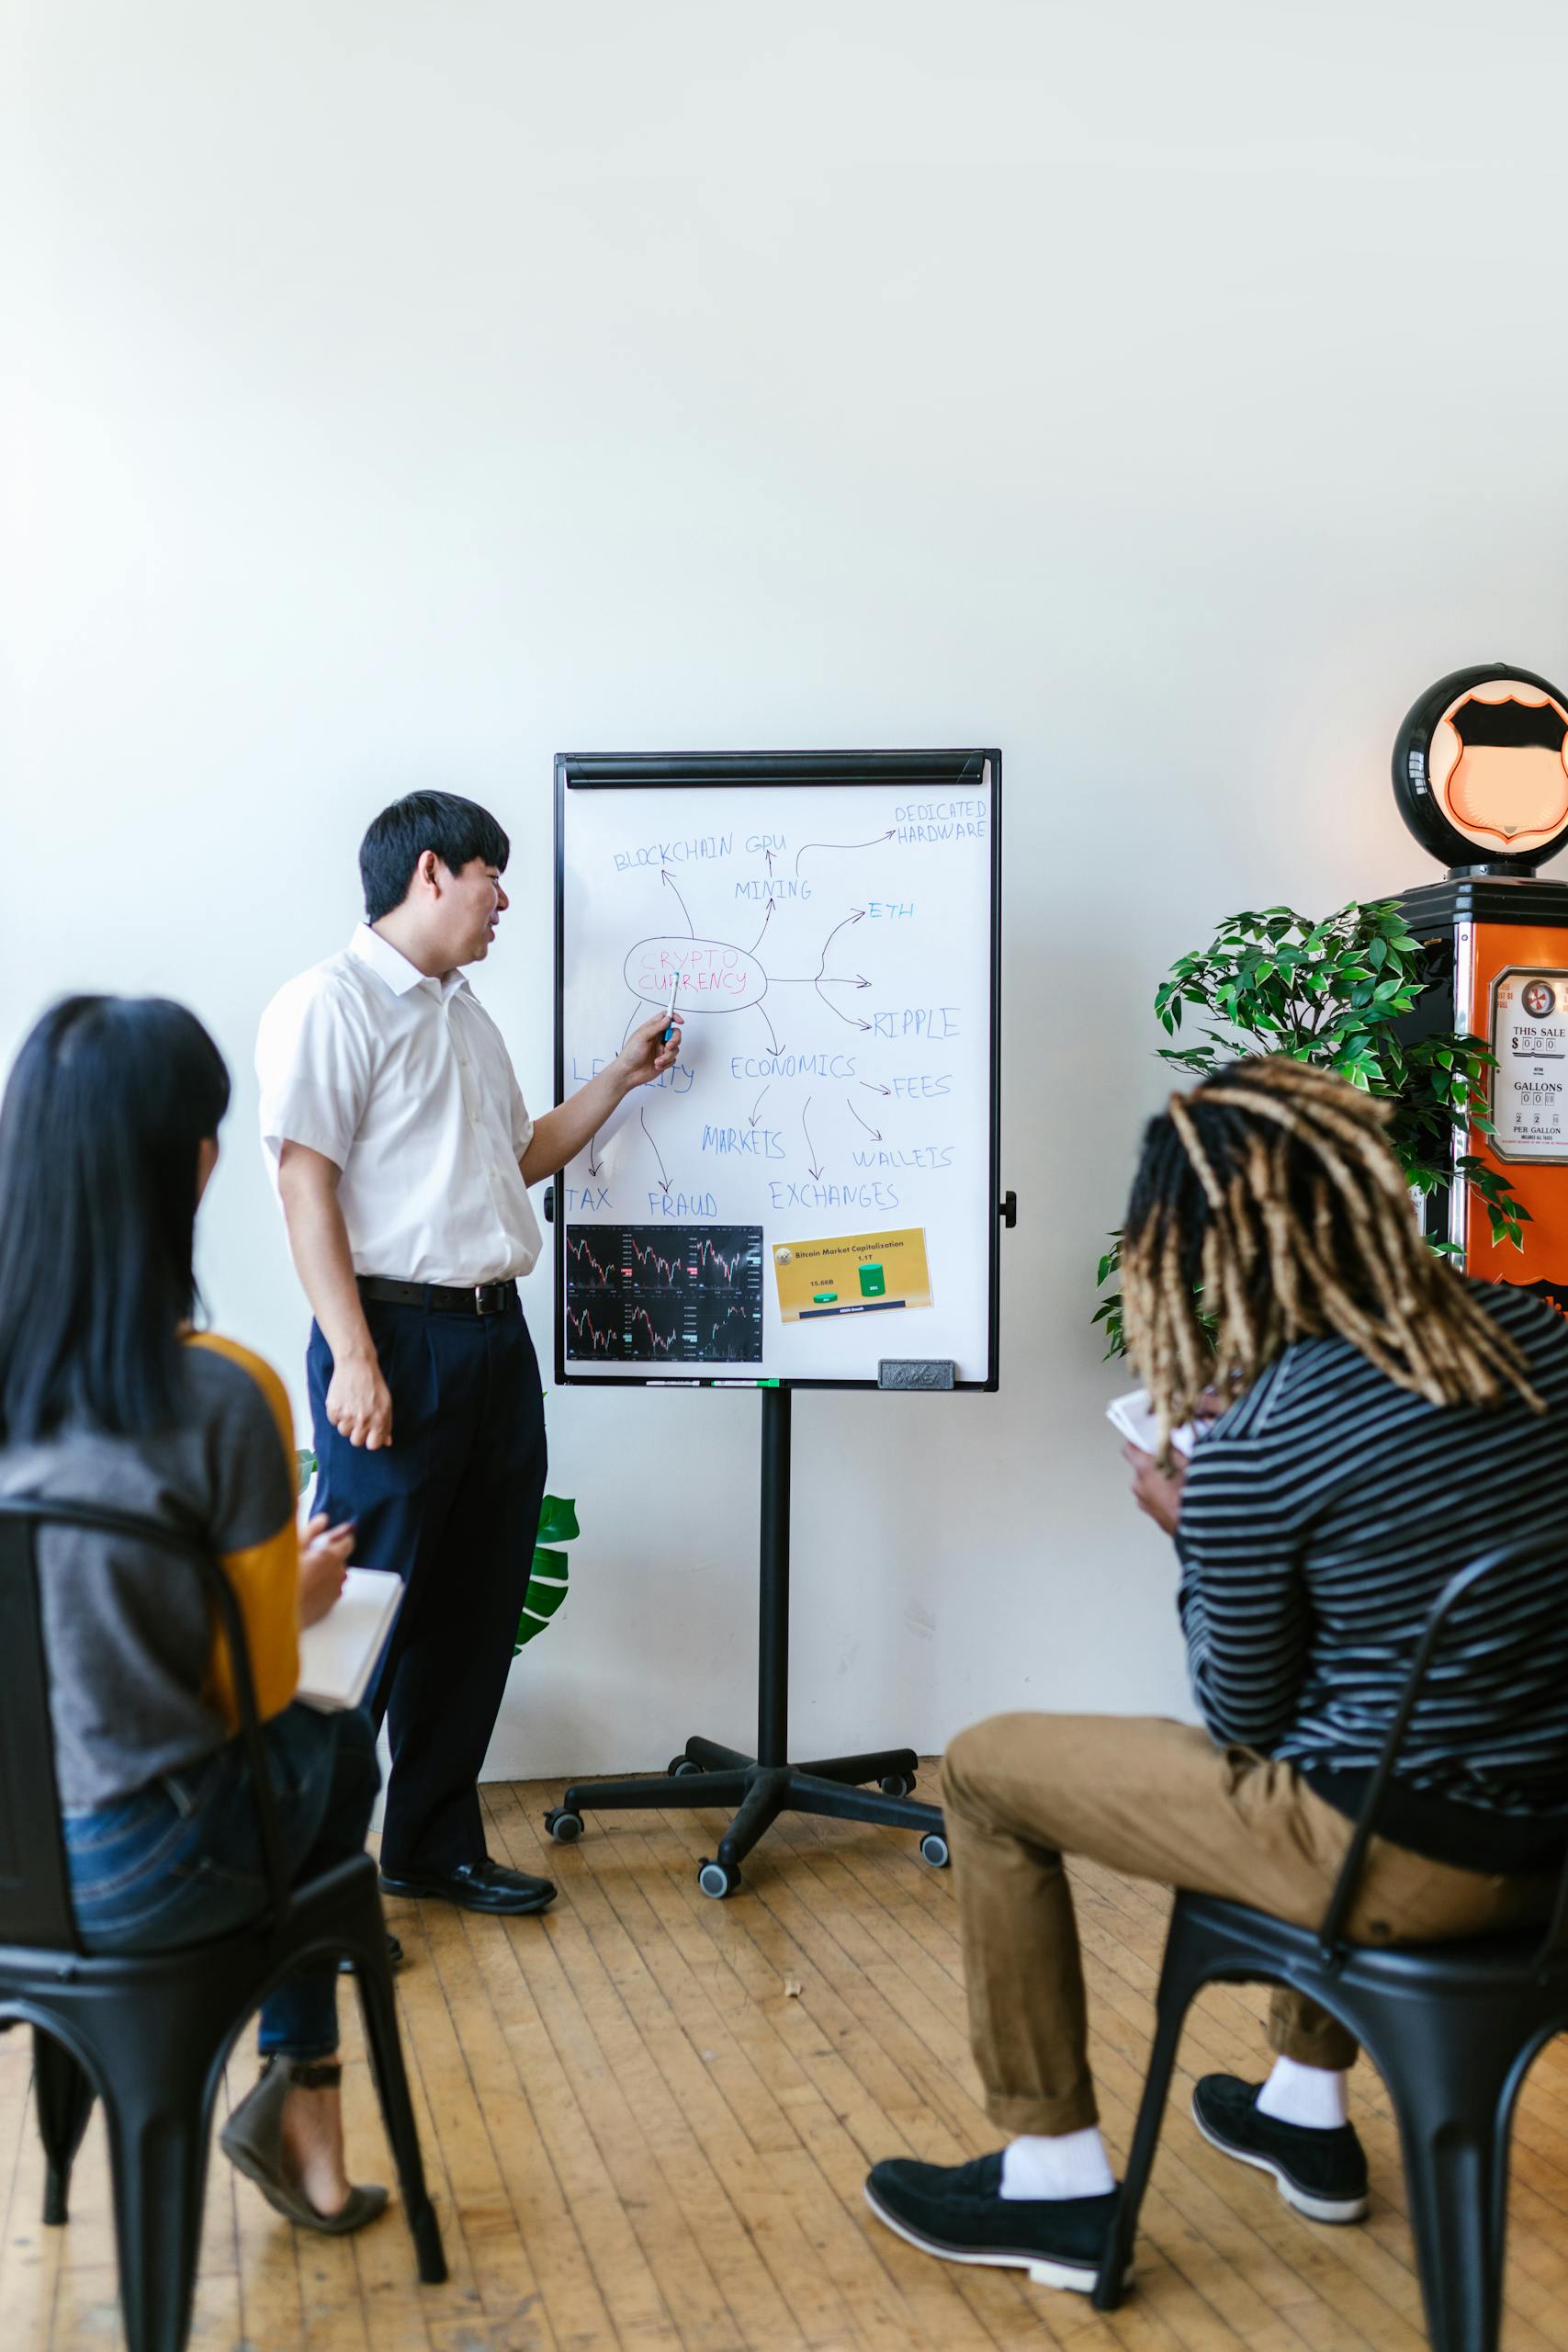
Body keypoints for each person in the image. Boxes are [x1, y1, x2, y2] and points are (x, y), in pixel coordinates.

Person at [865, 1055, 1568, 2294]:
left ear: (1209, 1245)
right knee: (1363, 1715)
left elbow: (1240, 1721)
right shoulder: (1527, 1336)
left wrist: (1194, 1529)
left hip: (1403, 1864)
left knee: (979, 1769)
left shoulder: (1262, 1439)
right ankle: (1302, 2104)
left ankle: (1049, 2185)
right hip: (1546, 1851)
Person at [255, 791, 680, 1917]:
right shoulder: (330, 1003)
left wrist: (618, 1081)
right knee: (366, 1614)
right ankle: (311, 1882)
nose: (504, 901)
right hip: (392, 1336)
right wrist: (353, 1354)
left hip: (495, 1337)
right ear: (433, 872)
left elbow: (520, 1152)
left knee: (473, 1610)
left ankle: (429, 1846)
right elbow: (307, 1181)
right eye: (494, 876)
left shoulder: (462, 1013)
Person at [0, 995, 386, 2233]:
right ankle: (305, 2105)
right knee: (333, 1747)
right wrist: (295, 1588)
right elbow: (256, 1690)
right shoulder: (223, 1398)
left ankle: (296, 2115)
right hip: (138, 1866)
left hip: (11, 1848)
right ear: (200, 1163)